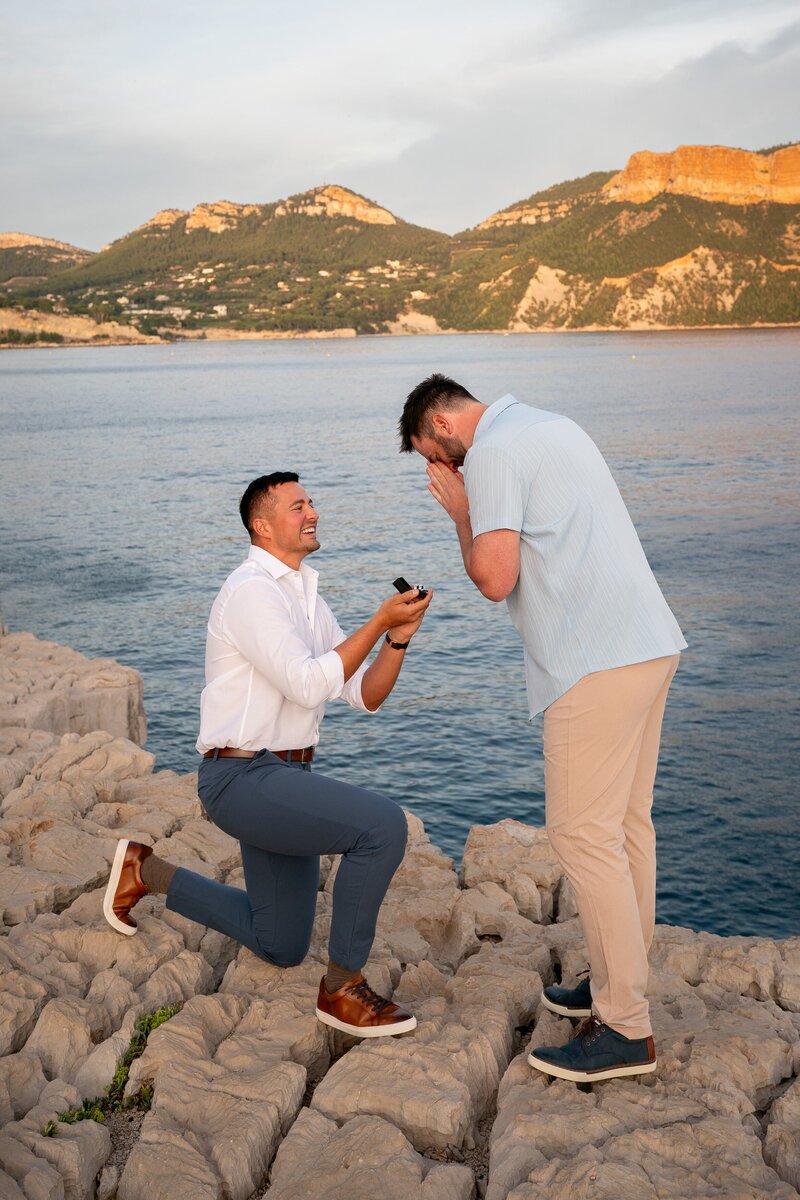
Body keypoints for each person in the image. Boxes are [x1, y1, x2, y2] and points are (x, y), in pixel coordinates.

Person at [398, 374, 686, 1082]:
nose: (444, 471)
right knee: (625, 826)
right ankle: (621, 979)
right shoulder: (551, 425)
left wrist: (462, 514)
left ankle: (624, 1027)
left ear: (442, 424)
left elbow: (495, 577)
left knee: (582, 835)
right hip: (648, 643)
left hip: (592, 663)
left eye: (434, 458)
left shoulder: (491, 451)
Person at [103, 471, 432, 1037]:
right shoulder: (251, 592)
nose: (313, 513)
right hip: (240, 777)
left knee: (280, 944)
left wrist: (396, 638)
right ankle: (343, 989)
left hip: (286, 779)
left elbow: (364, 695)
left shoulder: (306, 597)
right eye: (298, 505)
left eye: (311, 502)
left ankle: (142, 870)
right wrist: (376, 620)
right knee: (381, 827)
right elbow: (308, 685)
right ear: (262, 525)